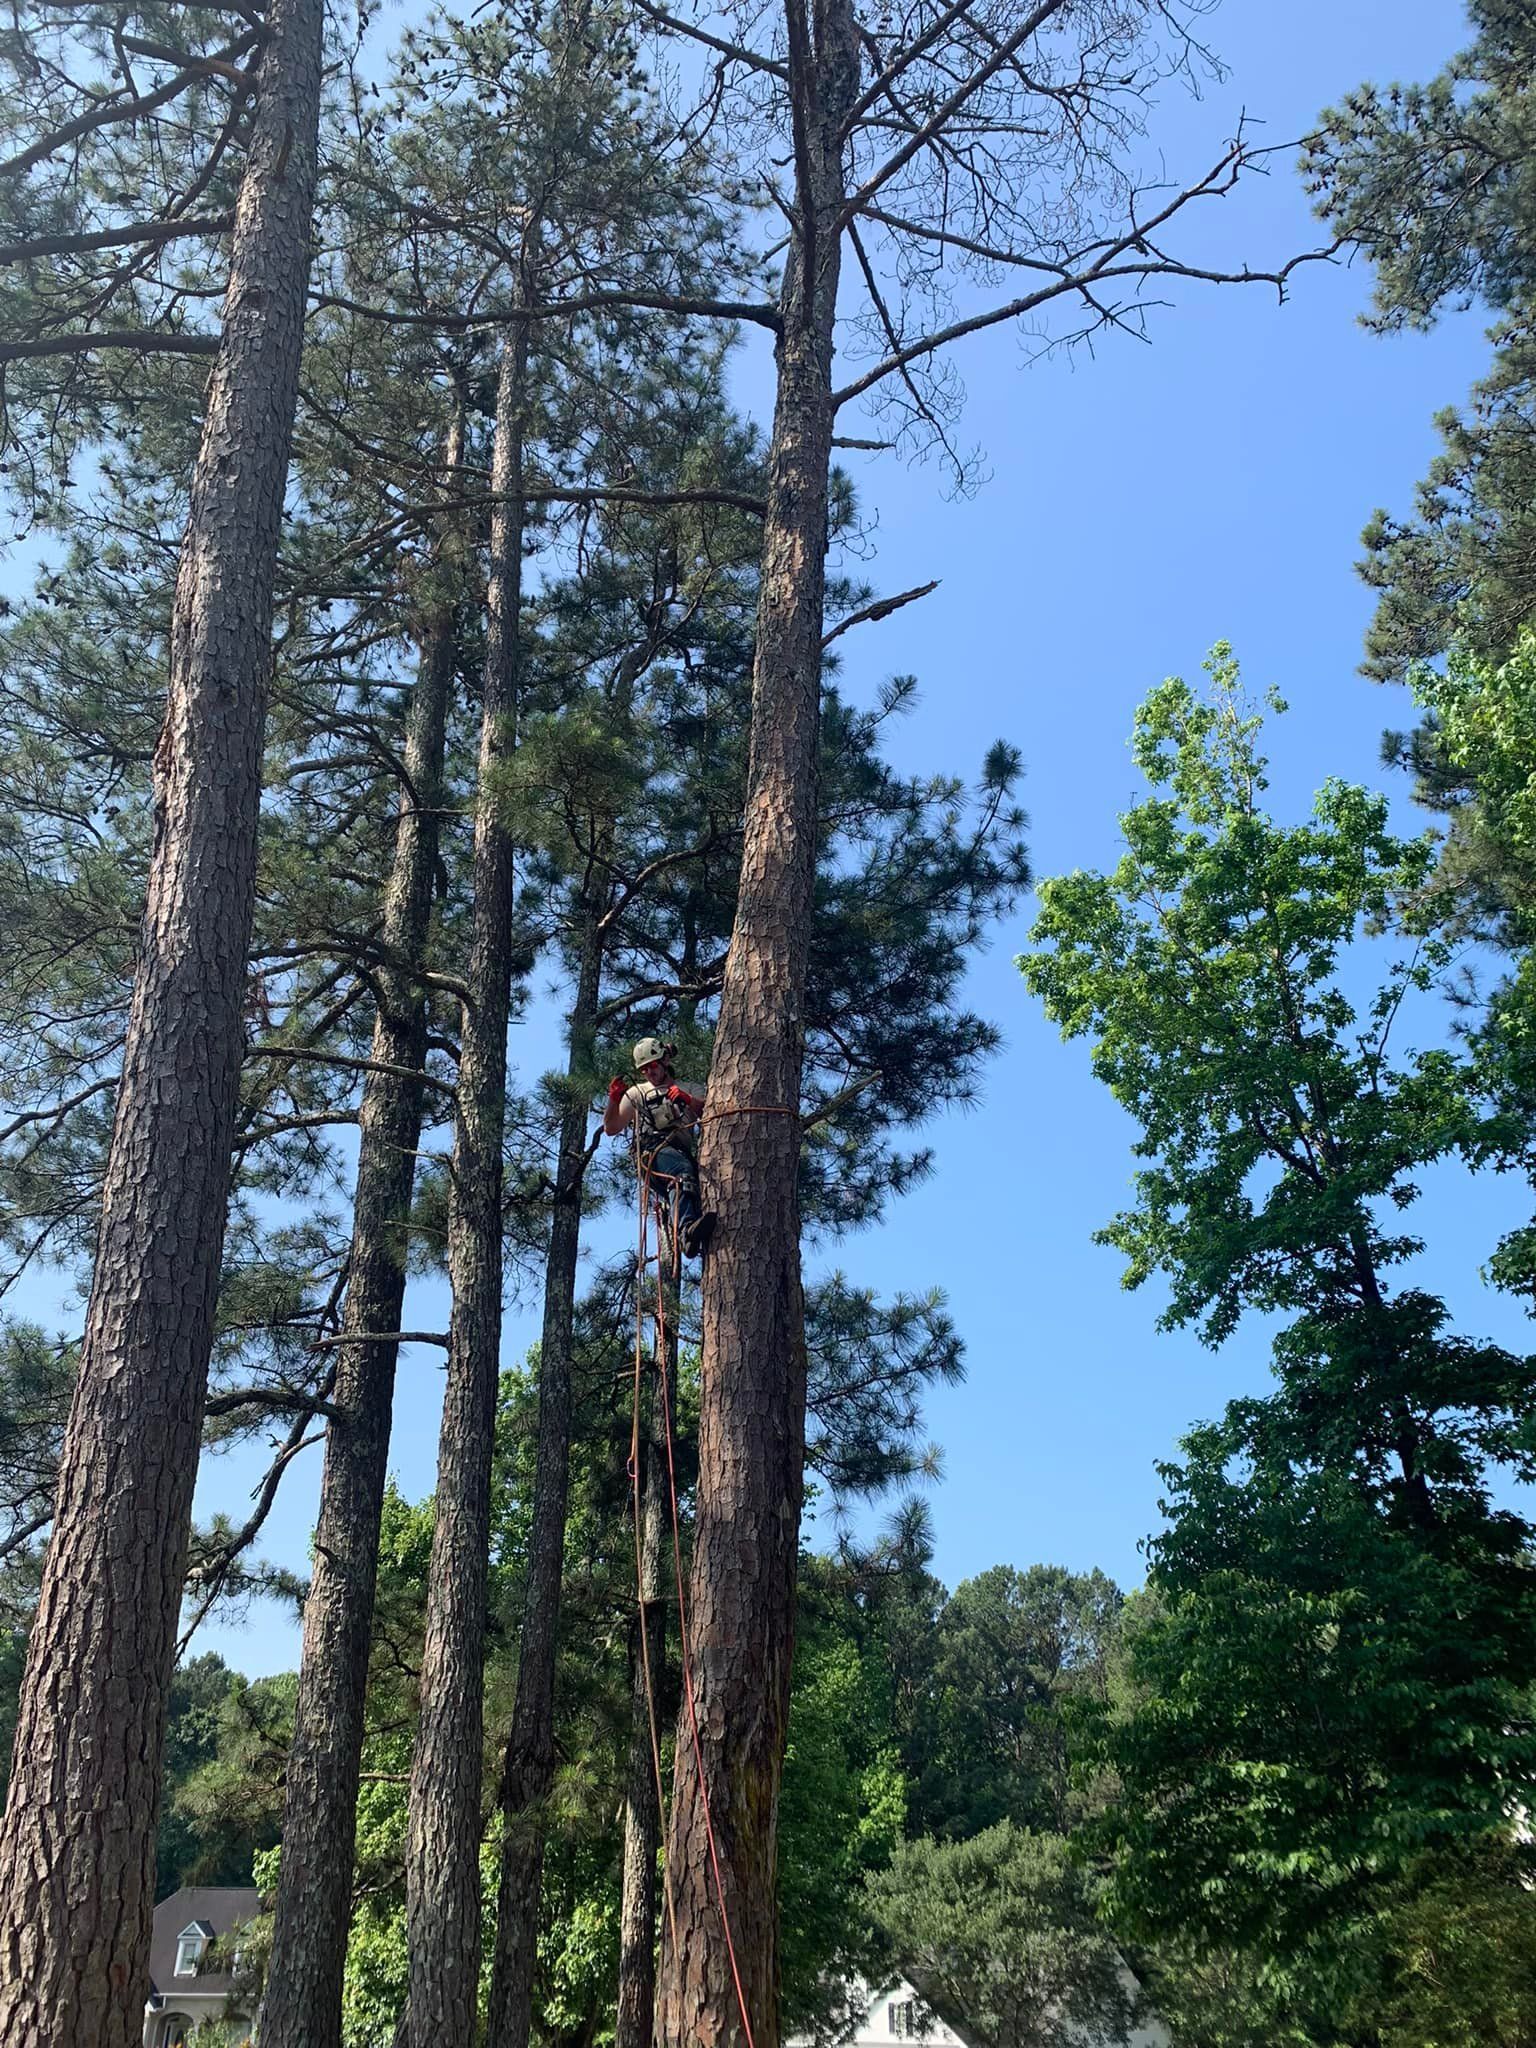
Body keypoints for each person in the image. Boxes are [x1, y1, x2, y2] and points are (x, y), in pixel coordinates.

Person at [604, 1035, 716, 1258]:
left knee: (691, 1184)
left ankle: (694, 1227)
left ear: (665, 1061)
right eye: (644, 1069)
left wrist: (687, 1099)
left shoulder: (689, 1088)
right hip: (652, 1152)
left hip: (680, 1153)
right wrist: (614, 1100)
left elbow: (711, 1113)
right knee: (681, 1174)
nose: (649, 1072)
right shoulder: (637, 1093)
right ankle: (686, 1232)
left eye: (653, 1066)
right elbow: (612, 1127)